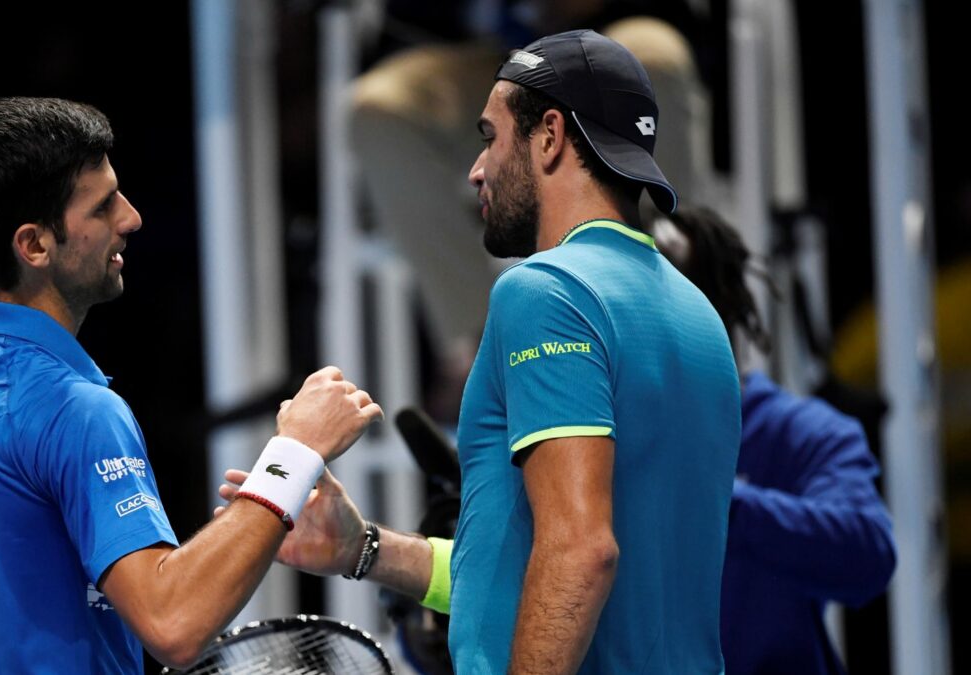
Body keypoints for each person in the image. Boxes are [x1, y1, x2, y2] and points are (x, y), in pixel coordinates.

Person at [224, 30, 740, 673]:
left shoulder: (545, 292)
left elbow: (580, 551)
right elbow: (539, 572)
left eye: (490, 137)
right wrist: (366, 549)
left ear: (550, 136)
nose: (474, 169)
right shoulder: (699, 316)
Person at [0, 97, 383, 674]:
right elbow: (173, 624)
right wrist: (294, 454)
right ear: (34, 245)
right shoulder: (78, 411)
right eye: (102, 208)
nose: (131, 218)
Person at [647, 205, 896, 675]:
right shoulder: (596, 438)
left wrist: (723, 502)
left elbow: (868, 555)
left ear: (717, 307)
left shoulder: (797, 432)